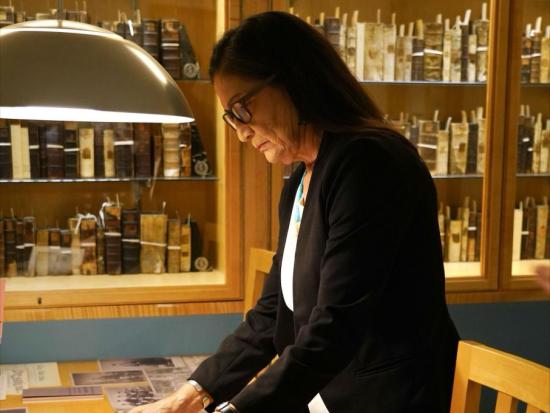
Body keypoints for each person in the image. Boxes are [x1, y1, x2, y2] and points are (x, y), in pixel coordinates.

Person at [129, 11, 460, 413]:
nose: (239, 131)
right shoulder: (301, 178)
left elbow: (336, 326)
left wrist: (237, 410)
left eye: (241, 109)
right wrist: (192, 394)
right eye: (229, 117)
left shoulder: (369, 164)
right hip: (325, 399)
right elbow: (272, 314)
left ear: (292, 81)